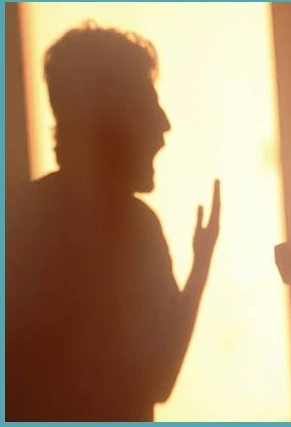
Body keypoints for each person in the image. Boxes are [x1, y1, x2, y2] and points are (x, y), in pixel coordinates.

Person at [6, 22, 220, 421]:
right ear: (110, 120)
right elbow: (160, 381)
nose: (164, 125)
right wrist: (199, 270)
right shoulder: (136, 228)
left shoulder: (19, 218)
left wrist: (200, 264)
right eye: (148, 106)